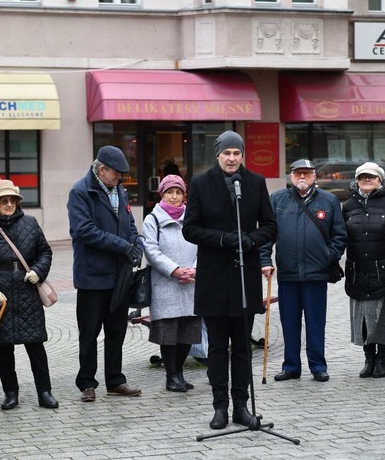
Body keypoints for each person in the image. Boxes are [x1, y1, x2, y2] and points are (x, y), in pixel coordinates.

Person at [182, 130, 277, 430]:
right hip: (213, 279)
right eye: (227, 153)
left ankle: (241, 406)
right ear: (218, 154)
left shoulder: (255, 183)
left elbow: (271, 226)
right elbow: (190, 229)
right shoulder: (200, 184)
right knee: (217, 348)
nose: (232, 158)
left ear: (242, 155)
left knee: (243, 347)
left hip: (244, 279)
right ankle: (219, 406)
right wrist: (224, 239)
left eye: (237, 153)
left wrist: (251, 240)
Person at [0, 180, 58, 410]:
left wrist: (38, 271)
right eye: (3, 201)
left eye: (12, 200)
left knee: (36, 345)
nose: (9, 204)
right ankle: (11, 393)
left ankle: (45, 392)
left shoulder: (30, 223)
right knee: (4, 348)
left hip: (27, 291)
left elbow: (45, 252)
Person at [67, 145, 144, 403]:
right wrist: (123, 246)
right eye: (116, 173)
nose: (120, 178)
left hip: (118, 276)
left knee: (116, 331)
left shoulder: (119, 191)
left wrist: (137, 243)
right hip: (92, 277)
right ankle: (87, 384)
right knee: (89, 334)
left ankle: (116, 381)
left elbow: (130, 223)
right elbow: (85, 231)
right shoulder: (80, 192)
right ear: (102, 169)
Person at [259, 159, 346, 382]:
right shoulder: (278, 200)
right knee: (289, 321)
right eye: (298, 173)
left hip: (316, 273)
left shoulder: (329, 201)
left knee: (316, 321)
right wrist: (264, 260)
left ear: (315, 176)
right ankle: (291, 366)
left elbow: (340, 235)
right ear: (291, 177)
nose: (302, 178)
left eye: (307, 173)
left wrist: (328, 256)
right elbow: (266, 234)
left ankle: (318, 366)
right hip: (288, 272)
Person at [342, 162, 385, 379]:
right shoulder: (348, 206)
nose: (367, 180)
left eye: (372, 177)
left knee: (383, 319)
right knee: (363, 319)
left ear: (380, 179)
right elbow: (340, 236)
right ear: (356, 180)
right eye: (363, 177)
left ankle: (382, 359)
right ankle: (368, 358)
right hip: (358, 271)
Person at [141, 174, 199, 392]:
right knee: (169, 333)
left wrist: (194, 268)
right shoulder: (152, 219)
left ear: (184, 195)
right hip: (165, 284)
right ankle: (171, 376)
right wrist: (175, 271)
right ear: (162, 194)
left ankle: (179, 373)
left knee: (188, 331)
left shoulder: (193, 216)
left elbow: (202, 244)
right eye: (169, 192)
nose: (174, 197)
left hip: (191, 282)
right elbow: (151, 251)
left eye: (178, 192)